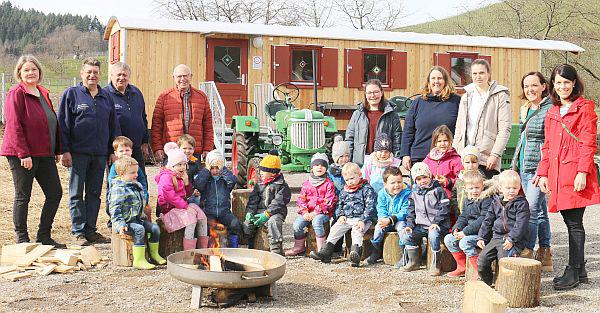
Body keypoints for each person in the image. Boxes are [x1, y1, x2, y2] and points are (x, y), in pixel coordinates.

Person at [537, 64, 600, 290]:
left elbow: (588, 142)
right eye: (558, 82)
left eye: (566, 82)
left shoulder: (585, 108)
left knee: (574, 222)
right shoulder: (552, 111)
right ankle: (580, 268)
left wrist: (583, 172)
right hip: (556, 173)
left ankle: (573, 270)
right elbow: (548, 145)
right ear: (553, 84)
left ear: (574, 83)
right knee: (570, 220)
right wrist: (542, 172)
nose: (562, 86)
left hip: (574, 172)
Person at [1, 55, 64, 247]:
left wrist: (57, 149)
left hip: (45, 153)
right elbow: (13, 125)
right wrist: (23, 153)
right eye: (26, 70)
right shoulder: (16, 93)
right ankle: (22, 238)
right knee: (23, 195)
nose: (31, 73)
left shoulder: (43, 93)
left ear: (39, 72)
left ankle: (44, 235)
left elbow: (51, 122)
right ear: (19, 72)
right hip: (23, 155)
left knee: (55, 193)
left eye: (34, 69)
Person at [58, 57, 121, 246]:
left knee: (94, 193)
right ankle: (78, 232)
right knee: (76, 193)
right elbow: (63, 124)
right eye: (89, 72)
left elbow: (113, 125)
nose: (92, 75)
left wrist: (112, 150)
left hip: (100, 154)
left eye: (95, 72)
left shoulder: (106, 97)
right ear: (82, 73)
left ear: (99, 74)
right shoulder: (72, 94)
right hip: (78, 153)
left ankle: (91, 230)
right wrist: (64, 150)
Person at [509, 71, 553, 266]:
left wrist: (546, 169)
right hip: (524, 165)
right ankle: (545, 252)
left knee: (531, 209)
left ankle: (527, 250)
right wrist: (514, 164)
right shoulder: (525, 108)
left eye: (534, 85)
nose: (530, 90)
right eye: (526, 86)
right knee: (541, 210)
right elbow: (522, 139)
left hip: (539, 167)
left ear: (544, 86)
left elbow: (550, 141)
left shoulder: (550, 108)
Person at [309, 162, 377, 267]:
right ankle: (326, 252)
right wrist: (340, 215)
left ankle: (355, 254)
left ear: (359, 175)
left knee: (356, 232)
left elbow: (370, 206)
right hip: (347, 218)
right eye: (347, 180)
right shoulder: (344, 191)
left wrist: (363, 219)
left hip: (361, 219)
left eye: (352, 178)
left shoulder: (366, 189)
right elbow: (339, 204)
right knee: (335, 229)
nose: (350, 182)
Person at [453, 59, 511, 179]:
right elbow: (459, 128)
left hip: (487, 158)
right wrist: (455, 153)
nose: (478, 76)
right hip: (466, 157)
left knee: (485, 195)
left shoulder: (500, 95)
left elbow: (504, 129)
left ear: (488, 74)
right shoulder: (466, 96)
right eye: (475, 73)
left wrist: (495, 154)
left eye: (481, 73)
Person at [108, 156, 166, 269]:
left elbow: (140, 203)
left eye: (136, 171)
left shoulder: (136, 185)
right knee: (140, 230)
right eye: (132, 172)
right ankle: (138, 260)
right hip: (126, 222)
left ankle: (154, 254)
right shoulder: (118, 189)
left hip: (138, 219)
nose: (136, 174)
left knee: (155, 229)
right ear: (121, 174)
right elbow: (115, 210)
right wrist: (120, 225)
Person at [400, 66, 461, 170]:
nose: (436, 81)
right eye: (433, 78)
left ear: (445, 81)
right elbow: (408, 131)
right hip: (420, 157)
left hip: (447, 159)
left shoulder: (456, 102)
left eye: (440, 78)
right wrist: (405, 154)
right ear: (428, 81)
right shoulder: (418, 102)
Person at [151, 64, 214, 162]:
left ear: (191, 76)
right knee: (172, 177)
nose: (182, 79)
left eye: (185, 76)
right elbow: (156, 126)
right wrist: (157, 148)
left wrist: (207, 148)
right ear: (174, 78)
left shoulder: (202, 97)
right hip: (172, 151)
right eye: (179, 76)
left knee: (194, 177)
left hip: (194, 151)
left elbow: (208, 126)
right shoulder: (164, 97)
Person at [477, 170, 529, 286]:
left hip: (513, 239)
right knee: (482, 260)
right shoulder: (495, 202)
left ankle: (505, 286)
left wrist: (512, 239)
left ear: (519, 187)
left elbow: (521, 224)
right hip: (496, 237)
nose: (511, 191)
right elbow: (488, 220)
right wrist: (481, 237)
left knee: (504, 261)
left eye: (515, 188)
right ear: (500, 188)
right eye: (508, 188)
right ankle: (487, 282)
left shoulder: (521, 203)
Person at [155, 142, 208, 250]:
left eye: (184, 164)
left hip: (179, 207)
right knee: (191, 219)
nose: (182, 167)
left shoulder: (180, 176)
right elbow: (171, 196)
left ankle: (203, 249)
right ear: (172, 165)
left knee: (201, 215)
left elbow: (187, 195)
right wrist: (186, 207)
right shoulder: (166, 177)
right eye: (179, 164)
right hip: (168, 209)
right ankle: (188, 251)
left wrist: (187, 182)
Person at [401, 162, 451, 276]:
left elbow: (445, 208)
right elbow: (411, 212)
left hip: (438, 225)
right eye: (418, 179)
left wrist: (436, 222)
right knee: (407, 235)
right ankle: (414, 262)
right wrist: (409, 225)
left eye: (424, 177)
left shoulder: (438, 190)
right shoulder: (413, 194)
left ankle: (436, 264)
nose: (422, 181)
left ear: (430, 176)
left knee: (433, 235)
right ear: (415, 181)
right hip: (421, 226)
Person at [444, 170, 494, 278]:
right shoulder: (468, 201)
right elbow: (463, 217)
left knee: (464, 242)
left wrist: (465, 232)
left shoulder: (486, 200)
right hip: (468, 232)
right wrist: (457, 228)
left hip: (483, 234)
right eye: (471, 188)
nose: (474, 191)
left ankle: (480, 271)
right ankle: (462, 266)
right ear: (465, 189)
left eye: (477, 187)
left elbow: (483, 219)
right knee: (449, 239)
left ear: (482, 186)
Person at [104, 62, 150, 178]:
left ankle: (141, 197)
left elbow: (143, 117)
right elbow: (104, 125)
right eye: (118, 75)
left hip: (136, 148)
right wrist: (111, 151)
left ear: (129, 77)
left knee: (140, 179)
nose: (121, 78)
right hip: (118, 151)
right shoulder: (104, 95)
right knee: (118, 181)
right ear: (111, 76)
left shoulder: (136, 93)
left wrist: (145, 142)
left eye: (125, 75)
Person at [286, 153, 337, 256]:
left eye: (323, 165)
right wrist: (304, 212)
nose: (319, 167)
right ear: (311, 168)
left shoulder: (328, 184)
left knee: (317, 222)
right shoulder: (306, 184)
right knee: (297, 225)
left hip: (323, 212)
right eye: (316, 165)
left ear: (326, 168)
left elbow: (329, 201)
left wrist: (316, 212)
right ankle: (299, 247)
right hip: (308, 212)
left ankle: (322, 250)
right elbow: (301, 200)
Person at [243, 152, 292, 255]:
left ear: (273, 173)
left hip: (276, 212)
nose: (260, 173)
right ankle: (251, 246)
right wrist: (250, 212)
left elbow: (278, 203)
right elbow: (253, 201)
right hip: (260, 211)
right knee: (248, 223)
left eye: (263, 171)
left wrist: (267, 214)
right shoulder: (259, 185)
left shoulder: (282, 186)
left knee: (273, 222)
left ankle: (276, 250)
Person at [345, 79, 402, 167]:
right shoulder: (358, 114)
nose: (373, 95)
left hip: (384, 163)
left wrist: (396, 162)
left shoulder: (392, 115)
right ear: (365, 94)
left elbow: (397, 140)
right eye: (369, 92)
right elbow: (349, 139)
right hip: (361, 163)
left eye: (376, 92)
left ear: (381, 93)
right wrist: (348, 161)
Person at [193, 150, 242, 248]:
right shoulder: (206, 179)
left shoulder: (224, 179)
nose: (215, 171)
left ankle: (233, 248)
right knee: (207, 229)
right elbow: (198, 183)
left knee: (235, 225)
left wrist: (223, 169)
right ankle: (206, 251)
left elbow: (232, 181)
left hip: (224, 212)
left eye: (217, 168)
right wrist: (207, 170)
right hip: (209, 212)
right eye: (212, 168)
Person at [366, 166, 411, 266]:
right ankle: (376, 252)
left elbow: (405, 211)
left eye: (399, 182)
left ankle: (405, 255)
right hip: (387, 219)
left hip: (400, 219)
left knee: (402, 229)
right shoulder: (382, 194)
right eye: (393, 183)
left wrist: (390, 220)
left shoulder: (407, 193)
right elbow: (381, 208)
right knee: (378, 227)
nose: (397, 185)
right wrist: (383, 219)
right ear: (385, 184)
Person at [106, 136, 149, 227]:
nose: (124, 153)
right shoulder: (115, 166)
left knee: (146, 211)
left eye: (127, 150)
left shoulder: (134, 165)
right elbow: (111, 182)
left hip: (135, 197)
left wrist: (144, 195)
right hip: (121, 197)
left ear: (131, 151)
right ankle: (115, 223)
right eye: (121, 151)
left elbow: (143, 181)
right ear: (116, 153)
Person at [423, 125, 463, 199]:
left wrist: (447, 181)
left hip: (449, 197)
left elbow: (462, 179)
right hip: (430, 197)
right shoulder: (428, 159)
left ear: (450, 141)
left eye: (445, 140)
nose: (442, 144)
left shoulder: (456, 159)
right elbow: (421, 172)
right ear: (435, 143)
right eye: (439, 141)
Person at [451, 145, 482, 215]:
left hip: (475, 216)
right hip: (460, 215)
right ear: (463, 163)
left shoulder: (481, 179)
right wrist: (456, 211)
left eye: (474, 162)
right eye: (467, 162)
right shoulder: (459, 180)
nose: (470, 166)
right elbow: (454, 196)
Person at [178, 134, 202, 205]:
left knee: (197, 198)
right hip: (178, 191)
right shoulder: (175, 162)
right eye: (184, 148)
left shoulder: (195, 162)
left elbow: (197, 179)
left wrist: (196, 189)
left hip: (190, 191)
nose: (187, 151)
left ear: (194, 149)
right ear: (179, 148)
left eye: (190, 148)